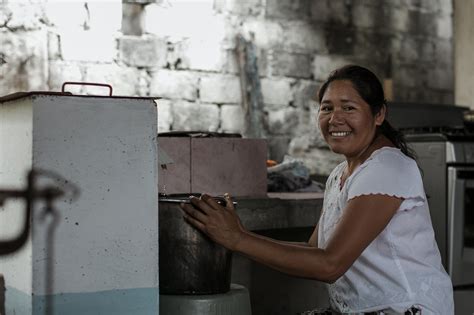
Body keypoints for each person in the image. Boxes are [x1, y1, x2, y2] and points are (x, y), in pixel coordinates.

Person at [180, 65, 454, 315]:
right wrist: (238, 236)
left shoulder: (387, 167)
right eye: (326, 108)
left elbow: (329, 264)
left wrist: (238, 239)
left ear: (379, 114)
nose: (335, 119)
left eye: (348, 108)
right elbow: (315, 251)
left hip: (407, 309)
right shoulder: (340, 175)